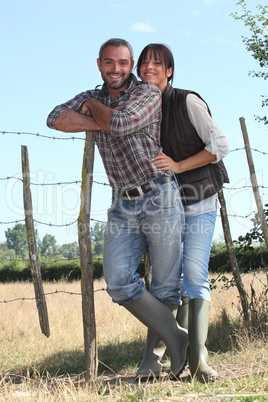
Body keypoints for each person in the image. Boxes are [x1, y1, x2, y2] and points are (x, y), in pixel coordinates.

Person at [47, 38, 188, 379]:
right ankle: (176, 337)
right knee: (119, 282)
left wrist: (95, 111)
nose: (116, 69)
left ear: (130, 66)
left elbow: (123, 124)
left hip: (159, 194)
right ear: (99, 64)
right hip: (122, 202)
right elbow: (54, 118)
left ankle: (151, 362)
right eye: (109, 63)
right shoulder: (93, 94)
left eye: (123, 63)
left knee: (165, 287)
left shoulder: (146, 93)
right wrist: (104, 119)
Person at [136, 43, 229, 382]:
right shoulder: (139, 110)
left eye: (157, 63)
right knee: (164, 278)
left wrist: (177, 165)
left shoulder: (187, 100)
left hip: (200, 198)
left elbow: (219, 146)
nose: (149, 67)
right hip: (164, 206)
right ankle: (154, 358)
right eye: (144, 62)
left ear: (169, 70)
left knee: (193, 274)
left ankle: (198, 360)